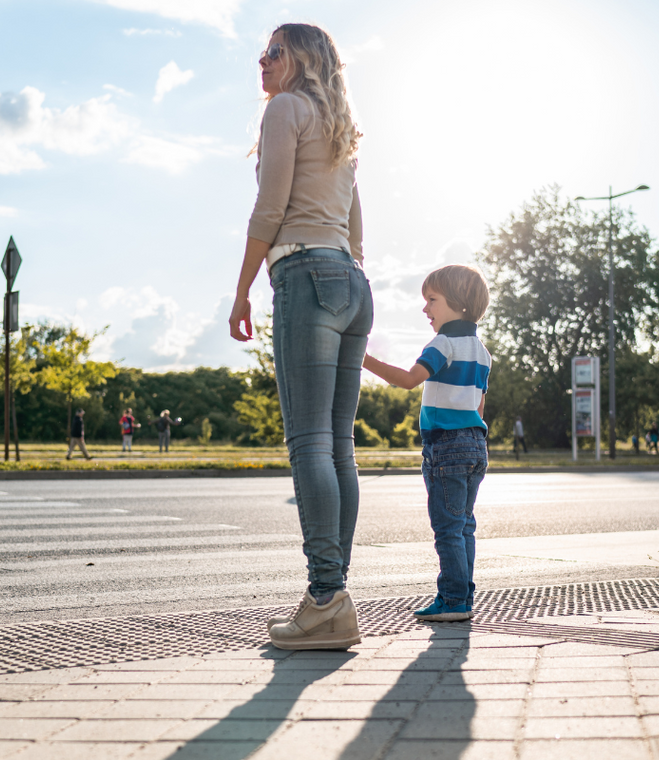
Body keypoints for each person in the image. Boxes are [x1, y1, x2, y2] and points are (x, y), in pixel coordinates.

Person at [228, 23, 371, 651]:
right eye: (262, 52)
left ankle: (325, 599)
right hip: (349, 282)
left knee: (310, 442)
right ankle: (332, 594)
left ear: (303, 59)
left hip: (306, 275)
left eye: (274, 51)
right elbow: (356, 225)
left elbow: (270, 205)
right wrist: (347, 278)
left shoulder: (286, 109)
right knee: (338, 447)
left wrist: (241, 291)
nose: (263, 61)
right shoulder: (340, 128)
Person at [364, 265, 491, 622]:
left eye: (431, 300)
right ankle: (462, 596)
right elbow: (480, 405)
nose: (425, 309)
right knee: (464, 525)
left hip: (446, 446)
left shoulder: (443, 344)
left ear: (459, 304)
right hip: (475, 444)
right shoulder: (482, 351)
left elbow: (408, 380)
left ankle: (452, 601)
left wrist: (363, 358)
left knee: (447, 528)